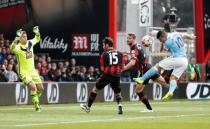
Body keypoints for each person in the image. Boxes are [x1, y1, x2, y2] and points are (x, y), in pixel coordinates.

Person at [134, 30, 195, 101]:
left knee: (157, 66)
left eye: (160, 40)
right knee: (173, 78)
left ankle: (142, 79)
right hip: (185, 61)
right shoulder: (176, 33)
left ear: (163, 36)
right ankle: (170, 92)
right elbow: (185, 35)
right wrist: (191, 37)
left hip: (177, 58)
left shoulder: (167, 42)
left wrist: (154, 42)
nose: (161, 41)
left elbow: (163, 51)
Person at [122, 33, 169, 112]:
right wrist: (127, 52)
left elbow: (133, 62)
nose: (127, 40)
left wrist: (123, 69)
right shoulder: (137, 46)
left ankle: (149, 109)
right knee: (164, 82)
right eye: (127, 38)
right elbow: (137, 55)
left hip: (144, 70)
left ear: (134, 39)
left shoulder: (134, 48)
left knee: (138, 90)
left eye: (129, 38)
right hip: (149, 68)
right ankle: (173, 76)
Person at [80, 37, 125, 114]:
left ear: (107, 45)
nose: (103, 46)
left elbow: (102, 68)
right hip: (116, 76)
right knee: (118, 93)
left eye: (104, 45)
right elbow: (123, 67)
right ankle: (120, 106)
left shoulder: (104, 54)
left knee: (95, 89)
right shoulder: (120, 54)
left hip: (107, 75)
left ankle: (88, 107)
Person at [10, 26, 44, 112]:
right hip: (23, 72)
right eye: (23, 36)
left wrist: (37, 33)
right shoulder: (18, 47)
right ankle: (37, 105)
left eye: (26, 36)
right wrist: (16, 39)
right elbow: (11, 48)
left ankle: (35, 96)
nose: (25, 38)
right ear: (20, 38)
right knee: (33, 87)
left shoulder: (30, 43)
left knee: (41, 89)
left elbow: (37, 38)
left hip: (32, 71)